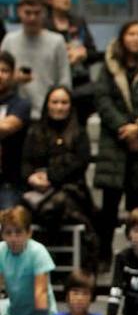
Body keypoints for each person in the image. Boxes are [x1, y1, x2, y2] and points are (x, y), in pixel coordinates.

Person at [93, 20, 138, 269]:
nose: (136, 38)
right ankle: (104, 255)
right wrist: (125, 129)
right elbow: (102, 99)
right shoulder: (110, 63)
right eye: (131, 34)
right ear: (123, 38)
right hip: (115, 144)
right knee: (109, 207)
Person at [22, 85, 93, 250]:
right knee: (16, 213)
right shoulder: (35, 131)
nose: (59, 107)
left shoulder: (79, 133)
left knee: (54, 206)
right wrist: (31, 178)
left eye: (64, 102)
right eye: (55, 102)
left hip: (72, 190)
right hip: (36, 190)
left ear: (70, 105)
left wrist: (50, 178)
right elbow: (26, 163)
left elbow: (80, 163)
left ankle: (52, 258)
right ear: (47, 104)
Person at [0, 0, 69, 119]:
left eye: (36, 13)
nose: (32, 18)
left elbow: (65, 81)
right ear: (19, 12)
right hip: (15, 114)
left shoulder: (57, 41)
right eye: (28, 13)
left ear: (43, 13)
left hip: (49, 113)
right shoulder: (9, 41)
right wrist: (14, 79)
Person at [41, 0, 98, 123]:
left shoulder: (78, 22)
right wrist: (63, 57)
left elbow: (93, 53)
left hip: (81, 86)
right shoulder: (43, 24)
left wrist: (83, 54)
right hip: (53, 87)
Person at [0, 207, 54, 315]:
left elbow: (40, 292)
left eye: (18, 232)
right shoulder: (1, 251)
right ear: (2, 235)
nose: (13, 238)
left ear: (29, 233)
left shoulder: (38, 252)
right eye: (8, 233)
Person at [0, 52, 32, 210]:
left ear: (13, 75)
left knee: (8, 230)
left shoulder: (21, 104)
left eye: (4, 71)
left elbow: (6, 128)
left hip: (9, 182)